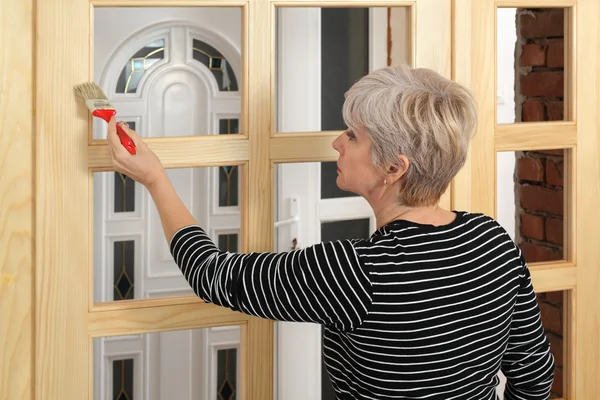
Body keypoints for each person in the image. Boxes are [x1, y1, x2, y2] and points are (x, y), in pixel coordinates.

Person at [107, 64, 554, 399]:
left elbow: (211, 274)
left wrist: (154, 178)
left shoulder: (356, 271)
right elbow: (534, 376)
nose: (338, 143)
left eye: (353, 136)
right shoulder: (492, 240)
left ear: (393, 168)